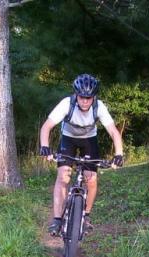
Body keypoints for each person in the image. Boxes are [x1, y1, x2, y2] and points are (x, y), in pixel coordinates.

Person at [39, 73, 124, 236]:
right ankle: (57, 219)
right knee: (63, 176)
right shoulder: (66, 104)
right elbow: (46, 127)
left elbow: (113, 131)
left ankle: (85, 216)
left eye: (89, 98)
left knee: (91, 179)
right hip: (68, 139)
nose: (85, 101)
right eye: (81, 97)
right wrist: (45, 146)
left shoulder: (99, 107)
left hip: (89, 141)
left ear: (94, 97)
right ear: (76, 95)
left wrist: (119, 154)